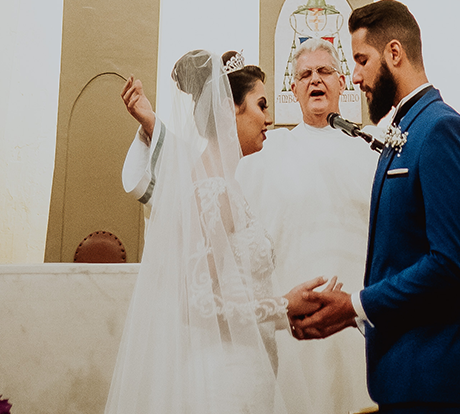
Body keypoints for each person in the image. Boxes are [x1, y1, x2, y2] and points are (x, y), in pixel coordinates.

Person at [292, 0, 460, 414]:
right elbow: (401, 252)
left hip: (436, 377)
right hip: (407, 374)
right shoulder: (406, 130)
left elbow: (450, 263)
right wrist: (352, 314)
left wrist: (356, 304)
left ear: (394, 53)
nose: (355, 76)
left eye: (361, 60)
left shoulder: (440, 129)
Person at [104, 47, 324, 414]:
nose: (268, 118)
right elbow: (196, 305)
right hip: (226, 383)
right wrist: (283, 303)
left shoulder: (224, 186)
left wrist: (284, 313)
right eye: (261, 105)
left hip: (251, 373)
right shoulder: (213, 191)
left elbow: (234, 294)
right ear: (227, 109)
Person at [238, 40, 374, 414]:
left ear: (342, 82)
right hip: (294, 327)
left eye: (325, 71)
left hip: (358, 320)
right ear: (293, 89)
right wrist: (156, 135)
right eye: (305, 75)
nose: (315, 80)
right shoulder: (268, 151)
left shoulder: (373, 148)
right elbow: (208, 180)